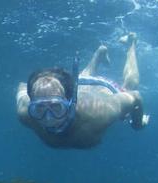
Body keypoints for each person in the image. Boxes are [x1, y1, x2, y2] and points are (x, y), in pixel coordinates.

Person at [16, 33, 149, 149]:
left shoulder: (100, 113)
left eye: (57, 107)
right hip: (79, 84)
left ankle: (132, 43)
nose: (48, 118)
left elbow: (135, 96)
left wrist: (137, 123)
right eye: (39, 108)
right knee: (82, 78)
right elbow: (22, 87)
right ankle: (100, 52)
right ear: (31, 106)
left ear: (71, 102)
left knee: (130, 86)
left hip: (106, 88)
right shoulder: (25, 112)